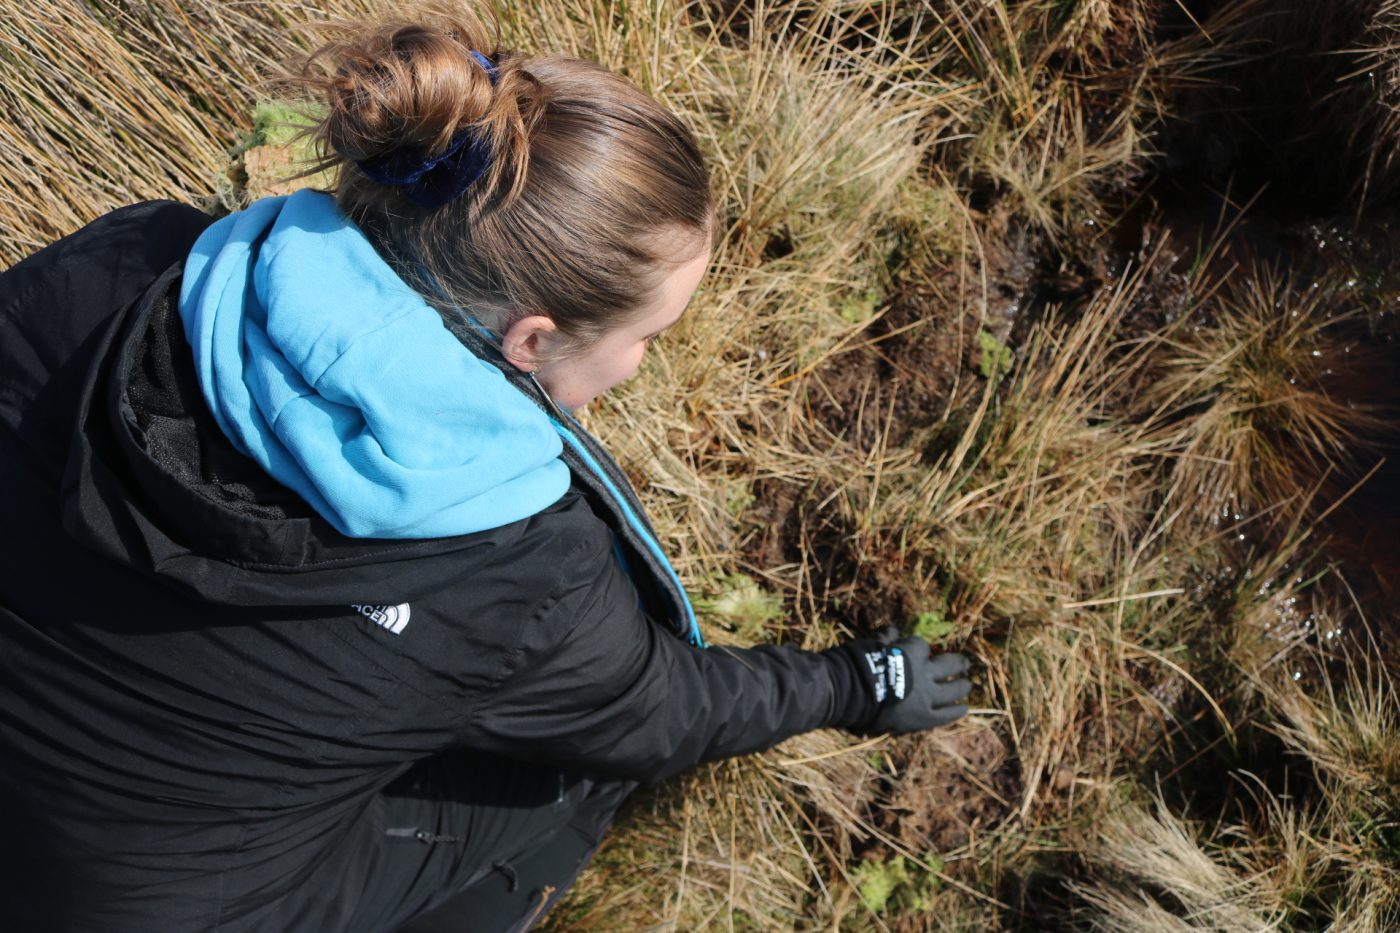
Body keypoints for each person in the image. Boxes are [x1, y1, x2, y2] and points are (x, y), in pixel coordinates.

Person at [0, 3, 972, 930]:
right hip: (112, 913)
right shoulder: (523, 567)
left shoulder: (126, 259)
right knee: (568, 773)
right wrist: (855, 684)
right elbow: (662, 714)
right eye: (648, 337)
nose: (642, 363)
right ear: (531, 340)